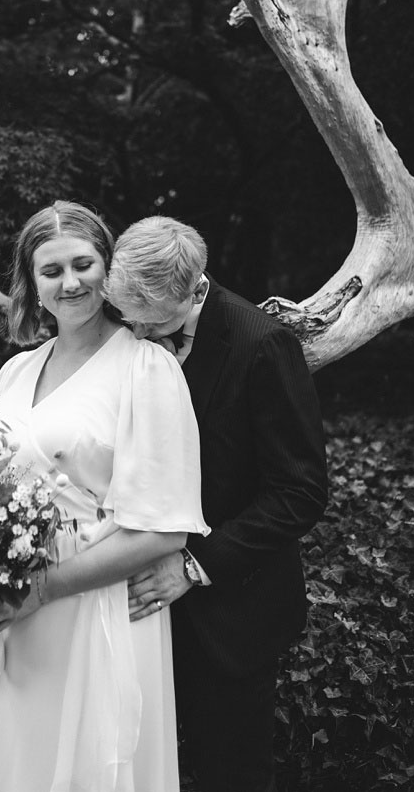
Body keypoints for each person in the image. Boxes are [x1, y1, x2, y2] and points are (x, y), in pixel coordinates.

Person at [0, 201, 207, 792]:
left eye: (83, 264)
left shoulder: (146, 369)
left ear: (108, 269)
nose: (71, 282)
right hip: (5, 615)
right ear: (31, 285)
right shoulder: (13, 373)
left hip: (92, 608)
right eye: (51, 271)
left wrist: (41, 590)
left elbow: (164, 530)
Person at [107, 217, 327, 792]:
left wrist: (194, 567)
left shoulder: (262, 345)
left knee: (231, 772)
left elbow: (299, 491)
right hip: (128, 603)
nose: (136, 331)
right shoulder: (129, 324)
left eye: (152, 321)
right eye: (127, 315)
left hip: (231, 610)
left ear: (197, 290)